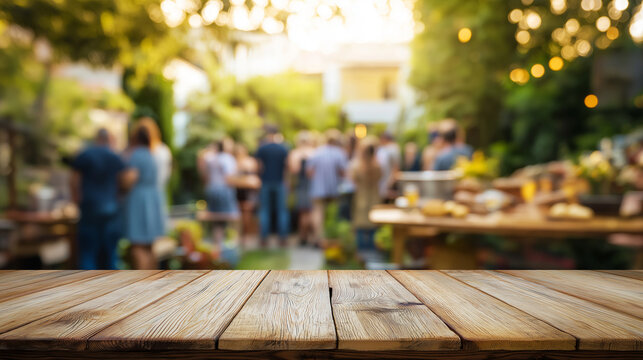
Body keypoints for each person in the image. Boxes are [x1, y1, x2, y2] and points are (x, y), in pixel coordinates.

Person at [70, 128, 126, 270]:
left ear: (97, 139)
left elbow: (74, 181)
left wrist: (76, 199)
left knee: (88, 252)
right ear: (108, 140)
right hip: (111, 209)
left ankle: (88, 289)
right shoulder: (115, 157)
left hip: (90, 207)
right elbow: (123, 181)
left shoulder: (86, 155)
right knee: (110, 253)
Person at [121, 126, 165, 270]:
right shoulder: (151, 154)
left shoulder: (136, 155)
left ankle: (143, 285)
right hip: (152, 199)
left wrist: (120, 185)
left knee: (137, 245)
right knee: (149, 246)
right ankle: (153, 283)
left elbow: (130, 178)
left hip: (139, 201)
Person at [307, 129, 348, 247]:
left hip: (318, 187)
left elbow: (309, 172)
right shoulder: (339, 153)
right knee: (332, 213)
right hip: (333, 188)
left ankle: (318, 238)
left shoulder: (317, 152)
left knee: (318, 212)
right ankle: (331, 237)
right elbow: (343, 172)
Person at [255, 127, 290, 246]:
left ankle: (264, 239)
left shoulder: (262, 148)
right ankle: (283, 238)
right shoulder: (283, 148)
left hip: (266, 182)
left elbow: (259, 167)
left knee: (265, 210)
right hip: (280, 182)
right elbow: (287, 167)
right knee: (282, 210)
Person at [349, 136, 382, 254]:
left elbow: (353, 180)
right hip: (374, 197)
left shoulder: (358, 166)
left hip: (361, 197)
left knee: (360, 225)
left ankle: (361, 252)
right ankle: (372, 250)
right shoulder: (377, 165)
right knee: (373, 225)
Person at [135, 118, 172, 225]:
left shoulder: (137, 153)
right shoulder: (163, 150)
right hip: (157, 194)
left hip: (140, 196)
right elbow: (165, 176)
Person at [198, 140, 239, 215]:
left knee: (214, 216)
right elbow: (229, 177)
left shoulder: (210, 158)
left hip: (211, 188)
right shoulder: (227, 158)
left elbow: (204, 174)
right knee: (230, 215)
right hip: (224, 189)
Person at [288, 131, 316, 245]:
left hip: (301, 184)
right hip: (312, 184)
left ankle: (303, 237)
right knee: (311, 212)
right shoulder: (314, 152)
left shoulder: (295, 153)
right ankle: (312, 237)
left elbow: (294, 170)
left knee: (303, 213)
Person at [376, 131, 400, 200]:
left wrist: (391, 182)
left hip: (389, 182)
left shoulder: (392, 149)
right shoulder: (387, 148)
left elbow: (396, 167)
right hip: (386, 182)